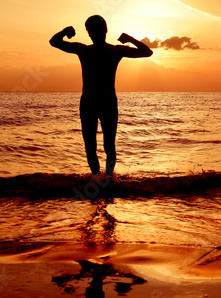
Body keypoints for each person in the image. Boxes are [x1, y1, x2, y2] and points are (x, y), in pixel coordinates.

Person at [50, 15, 153, 177]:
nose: (95, 34)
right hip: (94, 102)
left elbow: (147, 53)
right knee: (95, 146)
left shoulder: (112, 51)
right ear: (90, 33)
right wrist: (64, 31)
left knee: (105, 146)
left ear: (104, 31)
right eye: (92, 31)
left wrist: (130, 39)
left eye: (97, 30)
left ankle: (105, 180)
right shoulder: (86, 50)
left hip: (104, 103)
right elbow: (54, 42)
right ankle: (99, 178)